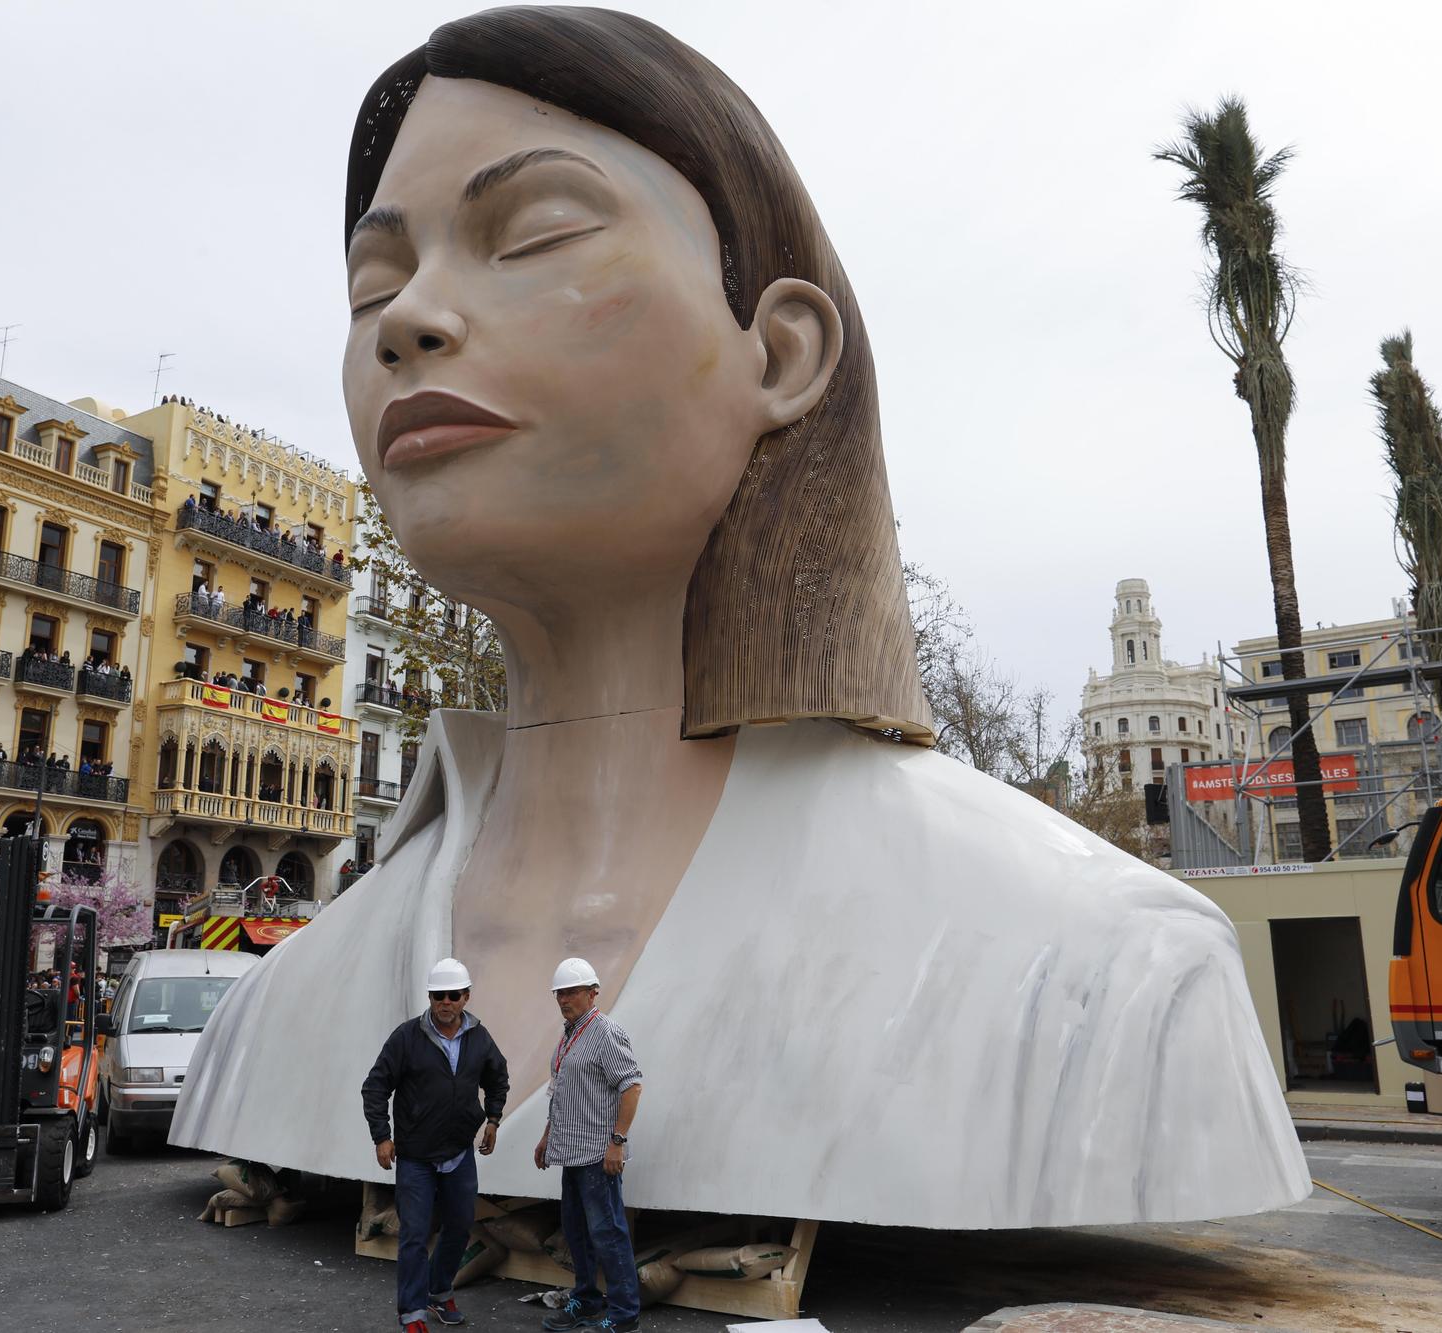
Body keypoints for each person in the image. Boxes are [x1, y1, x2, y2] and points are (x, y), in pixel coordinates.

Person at [174, 6, 1305, 1233]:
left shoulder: (1111, 986)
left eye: (535, 233)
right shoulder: (278, 1009)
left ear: (779, 353)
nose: (406, 320)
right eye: (372, 285)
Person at [362, 958, 508, 1333]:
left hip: (459, 1153)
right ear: (429, 997)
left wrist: (492, 1119)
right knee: (413, 1234)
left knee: (459, 1226)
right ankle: (412, 1312)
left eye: (454, 995)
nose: (446, 1002)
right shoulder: (407, 1038)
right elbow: (375, 1086)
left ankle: (440, 1292)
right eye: (439, 995)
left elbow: (498, 1076)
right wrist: (382, 1136)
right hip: (416, 1157)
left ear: (466, 997)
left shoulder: (479, 1037)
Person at [535, 959, 642, 1333]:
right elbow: (563, 1091)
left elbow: (631, 1086)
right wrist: (549, 1135)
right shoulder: (569, 1035)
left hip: (598, 1154)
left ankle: (625, 1316)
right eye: (559, 993)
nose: (564, 998)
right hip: (571, 1152)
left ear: (592, 992)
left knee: (608, 1233)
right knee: (577, 1231)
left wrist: (617, 1142)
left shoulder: (606, 1032)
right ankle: (587, 1299)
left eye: (571, 991)